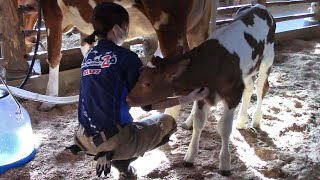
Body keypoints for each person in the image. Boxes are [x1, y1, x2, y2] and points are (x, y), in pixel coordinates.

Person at [69, 2, 209, 179]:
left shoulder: (88, 56)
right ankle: (122, 163)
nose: (126, 32)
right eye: (126, 27)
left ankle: (109, 154)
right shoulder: (126, 57)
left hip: (83, 138)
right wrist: (186, 98)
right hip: (114, 139)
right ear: (116, 29)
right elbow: (149, 104)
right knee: (167, 123)